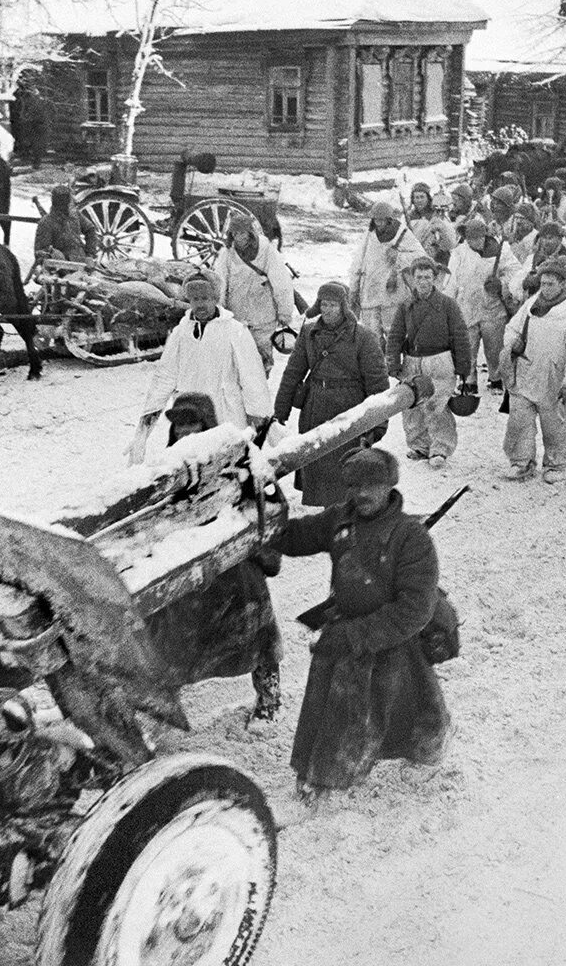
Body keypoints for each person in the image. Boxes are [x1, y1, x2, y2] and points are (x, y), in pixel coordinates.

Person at [274, 447, 451, 802]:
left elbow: (414, 609)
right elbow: (294, 537)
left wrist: (354, 636)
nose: (362, 494)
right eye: (354, 485)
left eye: (373, 486)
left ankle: (424, 752)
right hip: (345, 630)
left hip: (393, 640)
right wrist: (260, 524)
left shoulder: (411, 538)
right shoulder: (340, 521)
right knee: (333, 708)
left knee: (408, 709)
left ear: (390, 486)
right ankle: (320, 774)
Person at [150, 392, 284, 722]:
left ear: (207, 423)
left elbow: (269, 507)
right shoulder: (169, 466)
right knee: (166, 644)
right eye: (178, 426)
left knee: (259, 635)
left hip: (233, 567)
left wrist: (255, 546)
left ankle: (270, 701)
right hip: (187, 569)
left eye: (191, 423)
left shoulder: (239, 460)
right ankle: (164, 711)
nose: (184, 432)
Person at [135, 273, 273, 460]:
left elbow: (252, 376)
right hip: (189, 414)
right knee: (191, 462)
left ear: (215, 299)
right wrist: (149, 414)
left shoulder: (234, 330)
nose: (200, 304)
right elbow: (166, 375)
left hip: (226, 412)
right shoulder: (181, 332)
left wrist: (259, 415)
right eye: (195, 299)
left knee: (227, 463)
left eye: (205, 298)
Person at [274, 282, 389, 504]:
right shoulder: (308, 333)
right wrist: (281, 411)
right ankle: (327, 517)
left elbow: (377, 383)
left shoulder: (363, 337)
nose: (327, 309)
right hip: (315, 408)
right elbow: (292, 373)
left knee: (345, 468)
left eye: (333, 305)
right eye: (323, 304)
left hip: (348, 410)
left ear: (343, 307)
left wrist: (378, 425)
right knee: (317, 464)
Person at [500, 257, 566, 483]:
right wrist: (513, 344)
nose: (546, 288)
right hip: (526, 373)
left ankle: (555, 464)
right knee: (519, 421)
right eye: (543, 283)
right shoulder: (531, 305)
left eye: (551, 284)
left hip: (554, 379)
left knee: (556, 425)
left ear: (562, 284)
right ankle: (521, 462)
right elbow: (511, 328)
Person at [387, 258, 472, 469]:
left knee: (437, 403)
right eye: (419, 277)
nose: (423, 281)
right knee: (411, 404)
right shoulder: (406, 305)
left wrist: (463, 367)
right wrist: (393, 362)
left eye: (427, 277)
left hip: (440, 360)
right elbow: (396, 335)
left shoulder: (447, 304)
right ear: (412, 279)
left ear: (434, 279)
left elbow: (460, 335)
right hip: (412, 361)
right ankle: (419, 446)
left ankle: (440, 448)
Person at [445, 217, 523, 391]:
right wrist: (448, 305)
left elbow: (516, 272)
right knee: (467, 346)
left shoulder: (501, 251)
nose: (475, 242)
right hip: (466, 307)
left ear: (485, 236)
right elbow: (450, 281)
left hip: (492, 307)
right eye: (471, 238)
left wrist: (501, 283)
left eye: (478, 237)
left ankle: (496, 378)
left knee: (494, 346)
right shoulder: (459, 253)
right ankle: (468, 381)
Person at [214, 211, 296, 372]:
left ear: (250, 233)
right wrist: (219, 309)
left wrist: (285, 312)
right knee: (236, 359)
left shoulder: (267, 252)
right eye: (235, 233)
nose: (239, 237)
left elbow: (282, 283)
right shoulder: (227, 254)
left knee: (262, 359)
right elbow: (220, 282)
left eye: (242, 232)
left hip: (263, 315)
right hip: (236, 316)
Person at [349, 200, 427, 347]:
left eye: (381, 220)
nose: (378, 224)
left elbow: (421, 257)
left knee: (394, 337)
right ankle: (377, 368)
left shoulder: (402, 234)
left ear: (389, 220)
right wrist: (353, 289)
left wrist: (399, 256)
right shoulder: (368, 235)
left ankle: (394, 368)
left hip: (392, 294)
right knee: (371, 339)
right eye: (376, 220)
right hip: (370, 294)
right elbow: (357, 263)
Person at [33, 183, 98, 263]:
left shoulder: (75, 215)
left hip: (81, 260)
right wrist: (53, 256)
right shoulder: (46, 222)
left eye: (65, 201)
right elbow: (40, 252)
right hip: (59, 266)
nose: (63, 206)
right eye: (60, 201)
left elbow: (90, 229)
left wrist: (90, 255)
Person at [406, 182, 457, 265]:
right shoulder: (409, 216)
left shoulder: (437, 215)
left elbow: (449, 239)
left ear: (428, 198)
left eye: (422, 197)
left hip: (436, 254)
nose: (419, 200)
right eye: (416, 197)